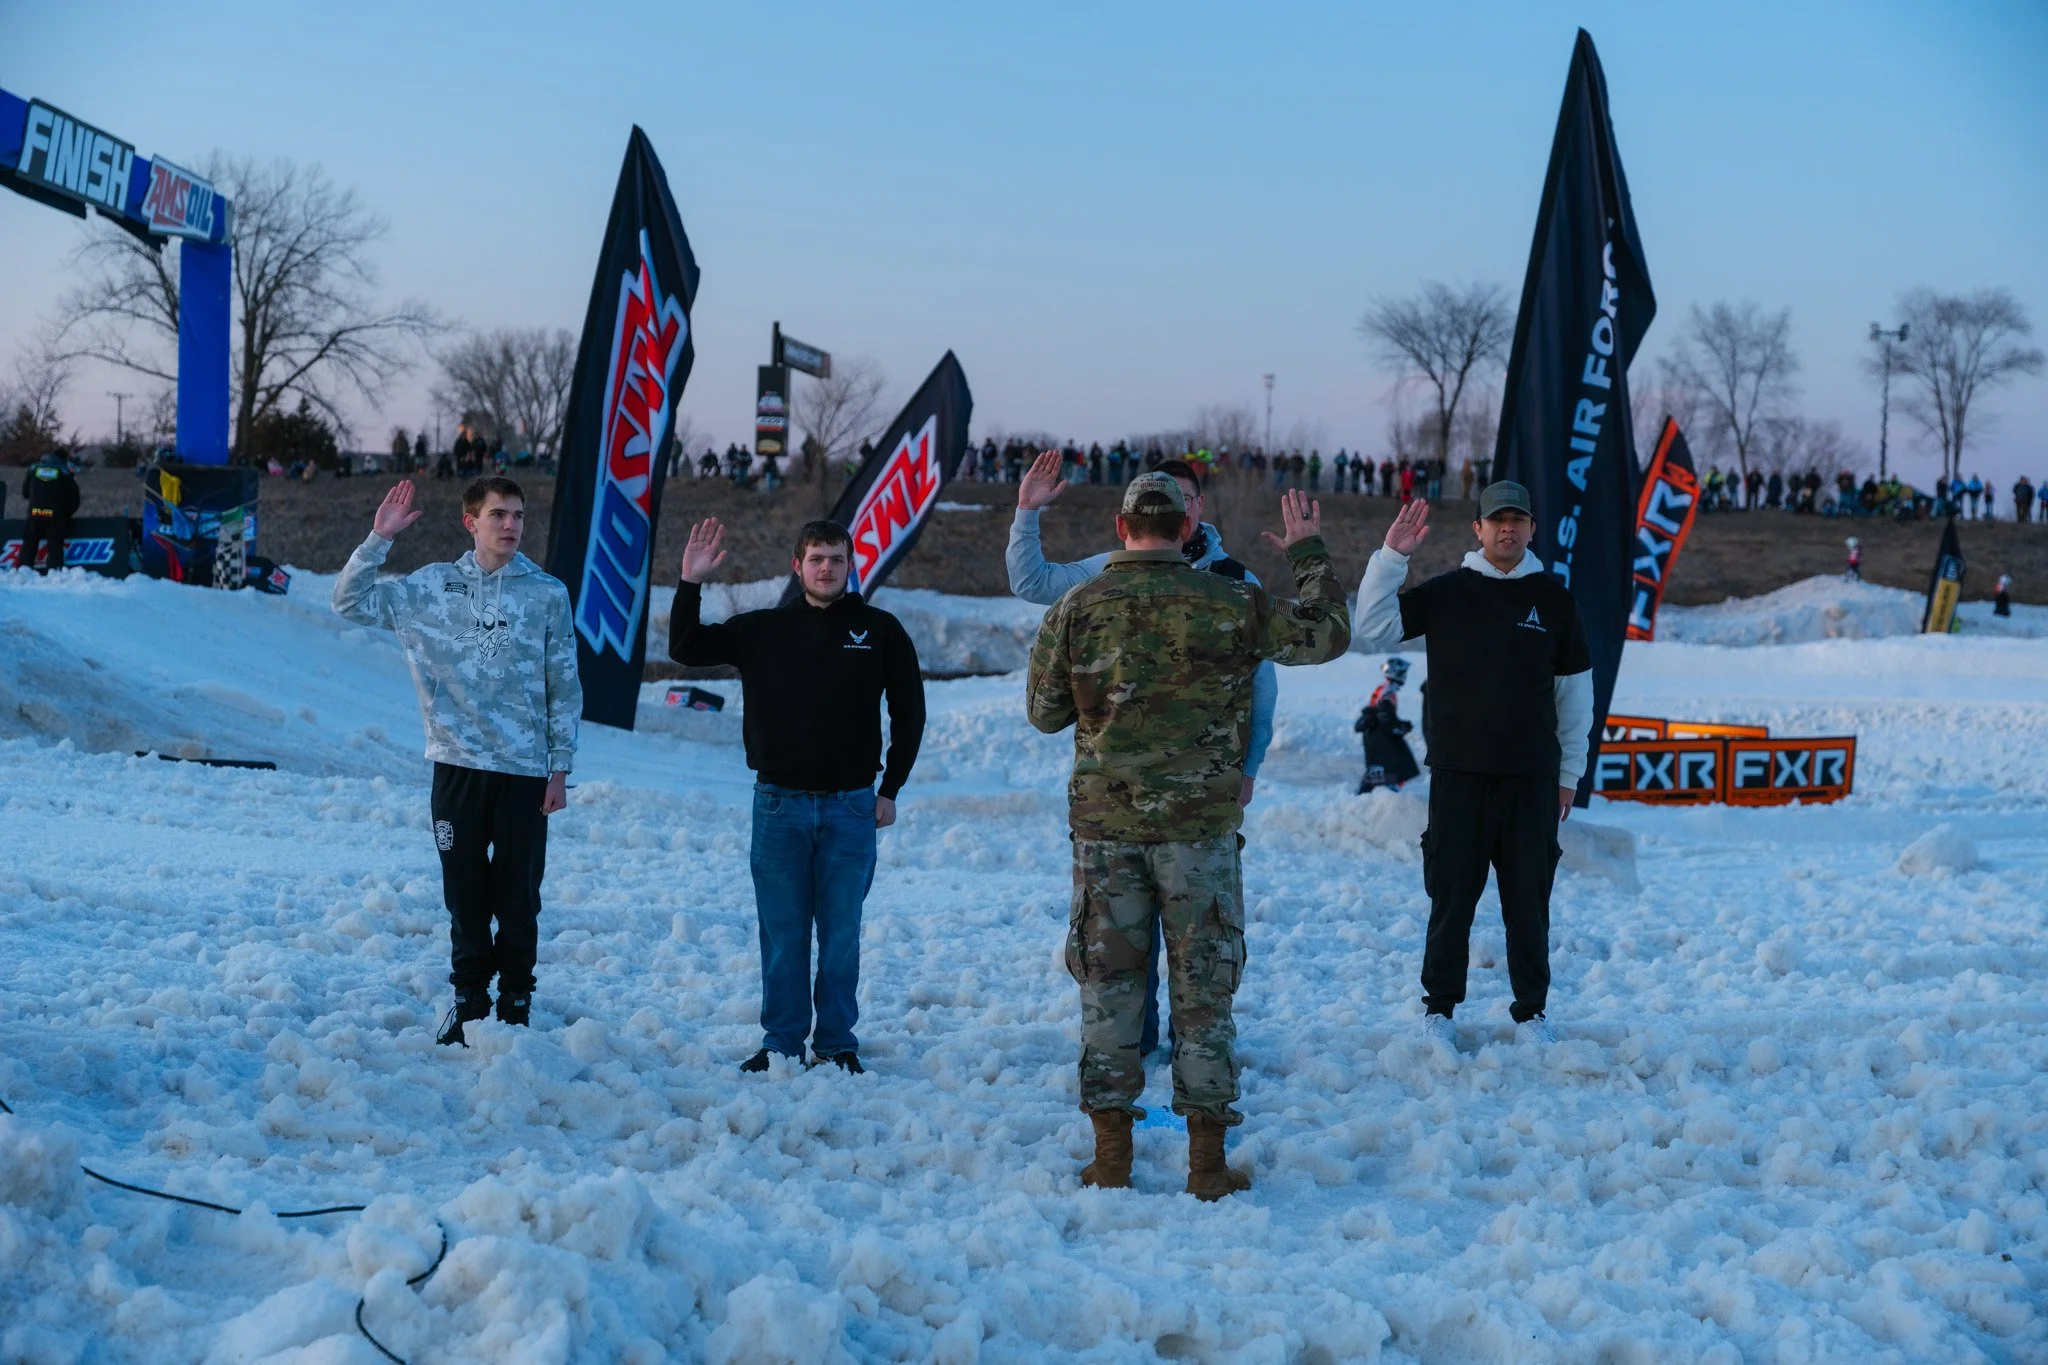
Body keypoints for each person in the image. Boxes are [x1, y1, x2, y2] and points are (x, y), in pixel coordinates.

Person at [1027, 478, 1350, 1197]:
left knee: (1109, 989)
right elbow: (1326, 633)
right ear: (1185, 527)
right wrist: (1308, 554)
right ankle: (1207, 1164)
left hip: (1107, 835)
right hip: (1199, 834)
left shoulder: (1077, 606)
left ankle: (1111, 1156)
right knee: (1204, 995)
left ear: (1120, 525)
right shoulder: (1232, 601)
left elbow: (1044, 713)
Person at [1008, 449, 1279, 1059]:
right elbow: (1032, 584)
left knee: (1191, 945)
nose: (1174, 510)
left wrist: (1249, 765)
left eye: (1182, 498)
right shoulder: (1106, 576)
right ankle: (1158, 1054)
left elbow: (1263, 686)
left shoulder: (1234, 583)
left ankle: (1181, 1057)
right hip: (1123, 805)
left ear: (1196, 511)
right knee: (1130, 947)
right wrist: (1026, 513)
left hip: (1196, 800)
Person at [670, 517, 925, 1075]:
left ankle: (836, 1044)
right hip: (779, 806)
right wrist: (690, 582)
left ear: (849, 563)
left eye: (836, 558)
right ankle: (781, 1042)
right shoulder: (763, 629)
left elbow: (910, 714)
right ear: (798, 565)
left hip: (852, 808)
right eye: (816, 559)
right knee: (783, 934)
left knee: (840, 936)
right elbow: (686, 647)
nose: (827, 568)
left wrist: (890, 789)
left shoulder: (880, 630)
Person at [332, 477, 580, 1045]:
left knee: (517, 897)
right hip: (457, 766)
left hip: (523, 772)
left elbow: (563, 685)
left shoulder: (547, 594)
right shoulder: (432, 588)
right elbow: (348, 601)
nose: (511, 525)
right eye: (499, 515)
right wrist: (378, 539)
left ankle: (515, 1002)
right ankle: (469, 1001)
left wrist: (559, 767)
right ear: (472, 522)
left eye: (518, 515)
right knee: (465, 895)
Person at [1352, 485, 1594, 1046]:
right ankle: (1438, 1011)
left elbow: (1574, 697)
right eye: (1496, 520)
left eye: (1518, 519)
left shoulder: (1555, 601)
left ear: (1533, 528)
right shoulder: (1448, 593)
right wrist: (1392, 557)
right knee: (1451, 899)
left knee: (1528, 904)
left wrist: (1568, 775)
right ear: (1477, 530)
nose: (1507, 529)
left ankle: (1532, 1014)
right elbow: (1374, 628)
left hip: (1531, 780)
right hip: (1459, 776)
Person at [1355, 657, 1420, 794]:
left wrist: (1399, 725)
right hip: (1380, 737)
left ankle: (1374, 794)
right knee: (1401, 765)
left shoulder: (1385, 688)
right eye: (1403, 673)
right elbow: (1385, 716)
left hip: (1375, 734)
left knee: (1381, 767)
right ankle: (1385, 794)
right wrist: (1400, 726)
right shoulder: (1388, 692)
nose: (1404, 676)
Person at [16, 453, 80, 574]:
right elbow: (74, 500)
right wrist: (65, 515)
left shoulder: (34, 469)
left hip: (34, 513)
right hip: (55, 517)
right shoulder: (64, 472)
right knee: (55, 547)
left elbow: (25, 493)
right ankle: (54, 574)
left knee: (29, 544)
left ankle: (23, 572)